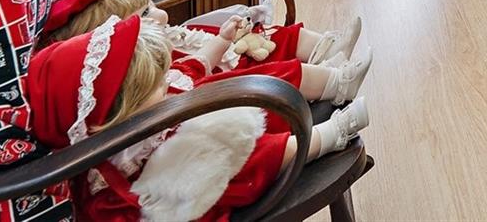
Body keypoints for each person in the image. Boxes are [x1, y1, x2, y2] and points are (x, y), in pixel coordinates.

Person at [28, 15, 368, 222]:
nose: (166, 81)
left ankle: (336, 82)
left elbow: (191, 65)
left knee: (266, 76)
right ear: (117, 113)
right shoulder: (114, 181)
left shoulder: (151, 103)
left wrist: (219, 42)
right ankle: (328, 136)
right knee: (252, 155)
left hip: (203, 122)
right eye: (156, 84)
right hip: (199, 177)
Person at [43, 0, 369, 104]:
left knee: (267, 34)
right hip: (226, 85)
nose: (161, 15)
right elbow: (201, 74)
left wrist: (225, 37)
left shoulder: (163, 40)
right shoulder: (146, 75)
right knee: (271, 68)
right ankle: (333, 81)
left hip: (222, 59)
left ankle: (324, 49)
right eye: (145, 15)